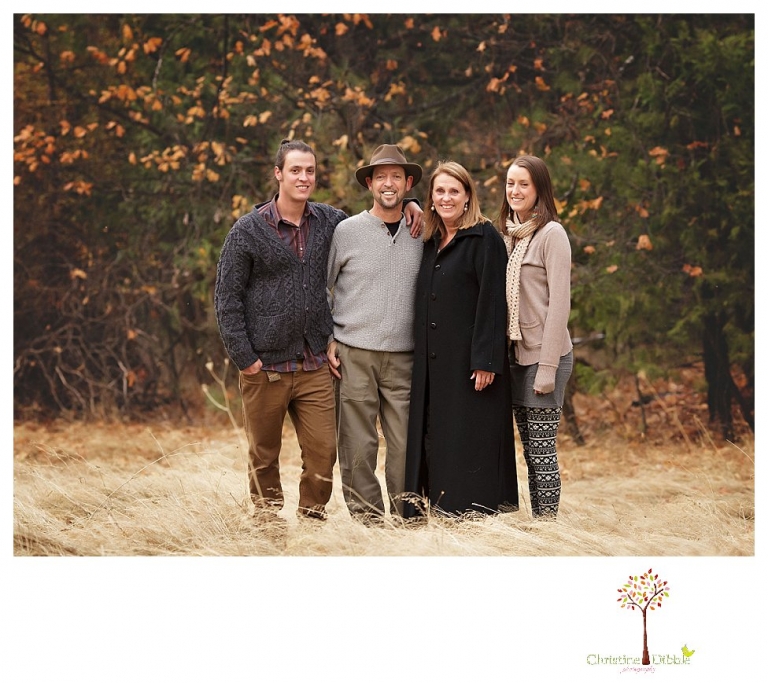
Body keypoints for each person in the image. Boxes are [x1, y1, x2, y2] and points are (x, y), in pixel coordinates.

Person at [214, 139, 423, 521]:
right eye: (295, 170)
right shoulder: (247, 231)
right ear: (278, 174)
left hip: (313, 364)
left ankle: (311, 520)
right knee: (264, 453)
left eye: (309, 170)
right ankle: (267, 521)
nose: (303, 177)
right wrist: (246, 359)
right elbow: (226, 298)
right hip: (267, 366)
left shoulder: (331, 222)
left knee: (324, 453)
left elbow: (380, 217)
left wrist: (412, 205)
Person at [402, 161, 518, 519]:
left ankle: (472, 514)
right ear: (431, 199)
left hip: (471, 362)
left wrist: (486, 359)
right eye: (440, 191)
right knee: (439, 437)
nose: (447, 197)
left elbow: (493, 302)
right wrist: (408, 201)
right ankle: (434, 510)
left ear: (468, 196)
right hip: (435, 362)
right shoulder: (431, 241)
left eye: (455, 191)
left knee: (471, 438)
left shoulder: (485, 238)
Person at [327, 144, 424, 524]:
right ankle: (367, 522)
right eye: (380, 176)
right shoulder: (346, 231)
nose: (388, 183)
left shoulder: (422, 229)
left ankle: (406, 519)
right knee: (357, 446)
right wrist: (328, 337)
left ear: (408, 183)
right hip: (354, 353)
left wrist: (417, 207)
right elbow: (321, 287)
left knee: (403, 445)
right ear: (369, 183)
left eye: (396, 177)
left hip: (405, 356)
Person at [499, 154, 573, 518]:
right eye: (510, 183)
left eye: (523, 184)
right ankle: (539, 522)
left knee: (543, 451)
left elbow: (560, 304)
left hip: (548, 356)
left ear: (539, 189)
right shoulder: (509, 235)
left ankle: (548, 527)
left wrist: (547, 367)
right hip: (516, 357)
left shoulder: (551, 234)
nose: (515, 190)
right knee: (530, 450)